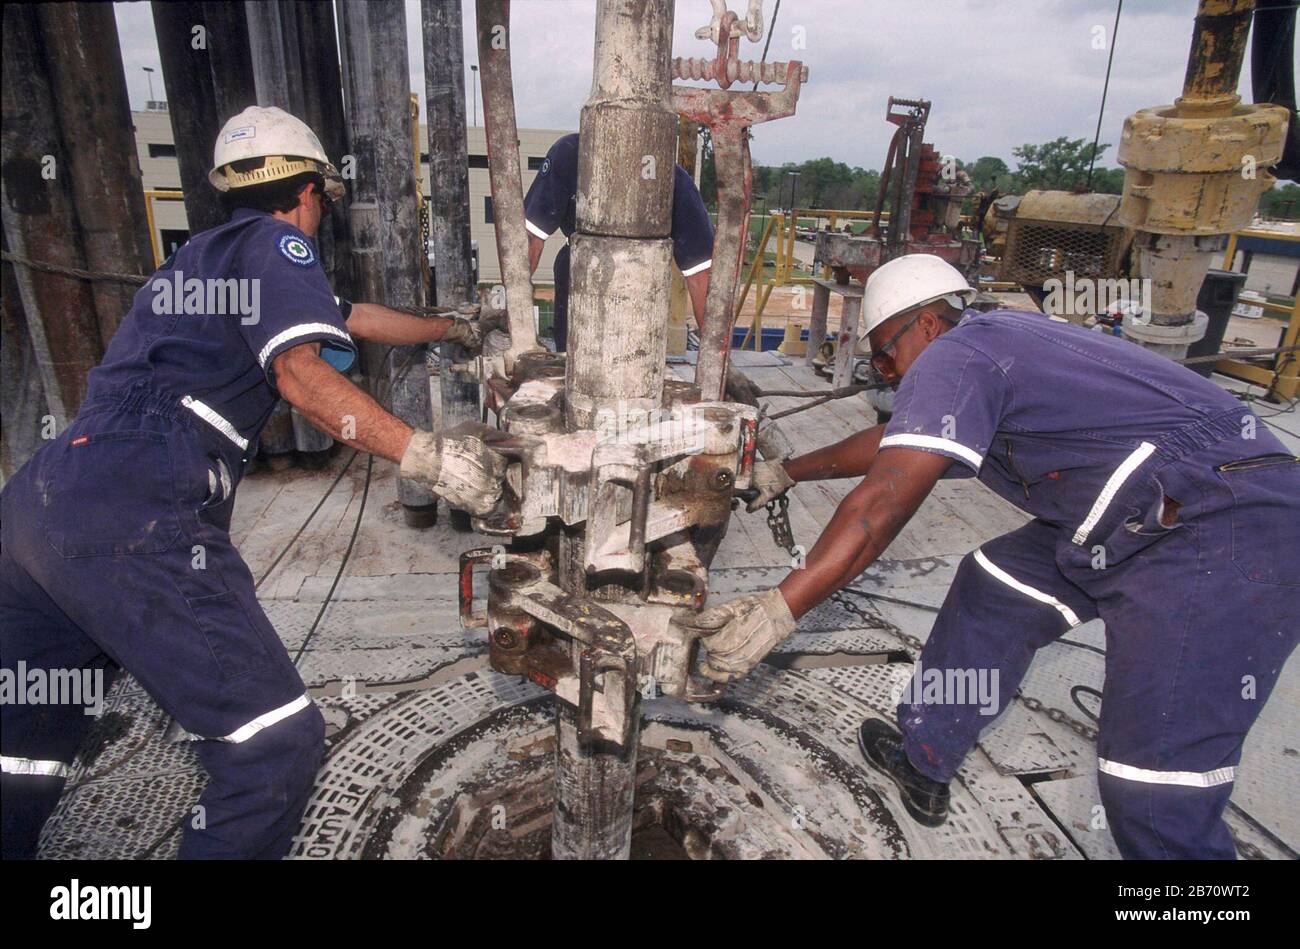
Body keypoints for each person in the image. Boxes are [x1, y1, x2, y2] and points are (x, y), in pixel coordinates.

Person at [0, 106, 508, 859]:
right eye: (322, 204)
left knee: (24, 746)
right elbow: (301, 374)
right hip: (134, 504)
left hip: (42, 501)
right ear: (309, 192)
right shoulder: (280, 245)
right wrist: (432, 458)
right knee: (273, 746)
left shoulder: (201, 259)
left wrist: (456, 327)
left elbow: (356, 316)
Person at [685, 253, 1299, 859]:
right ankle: (926, 756)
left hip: (1222, 525)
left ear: (926, 322)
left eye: (885, 353)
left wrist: (780, 608)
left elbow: (880, 505)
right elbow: (891, 441)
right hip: (1128, 520)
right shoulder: (990, 351)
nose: (884, 373)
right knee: (997, 586)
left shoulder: (961, 351)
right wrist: (786, 472)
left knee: (1154, 786)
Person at [523, 132, 714, 350]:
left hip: (642, 290)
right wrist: (515, 316)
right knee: (571, 363)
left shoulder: (671, 178)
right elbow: (531, 238)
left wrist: (714, 359)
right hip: (577, 275)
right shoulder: (570, 154)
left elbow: (701, 275)